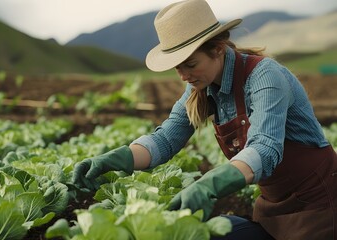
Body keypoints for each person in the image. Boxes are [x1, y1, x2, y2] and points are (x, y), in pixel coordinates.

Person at [72, 0, 337, 239]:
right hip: (272, 209)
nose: (184, 76)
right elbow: (165, 139)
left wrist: (211, 184)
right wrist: (115, 159)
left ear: (218, 49)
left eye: (190, 64)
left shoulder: (265, 77)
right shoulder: (201, 86)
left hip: (319, 207)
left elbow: (265, 148)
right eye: (178, 67)